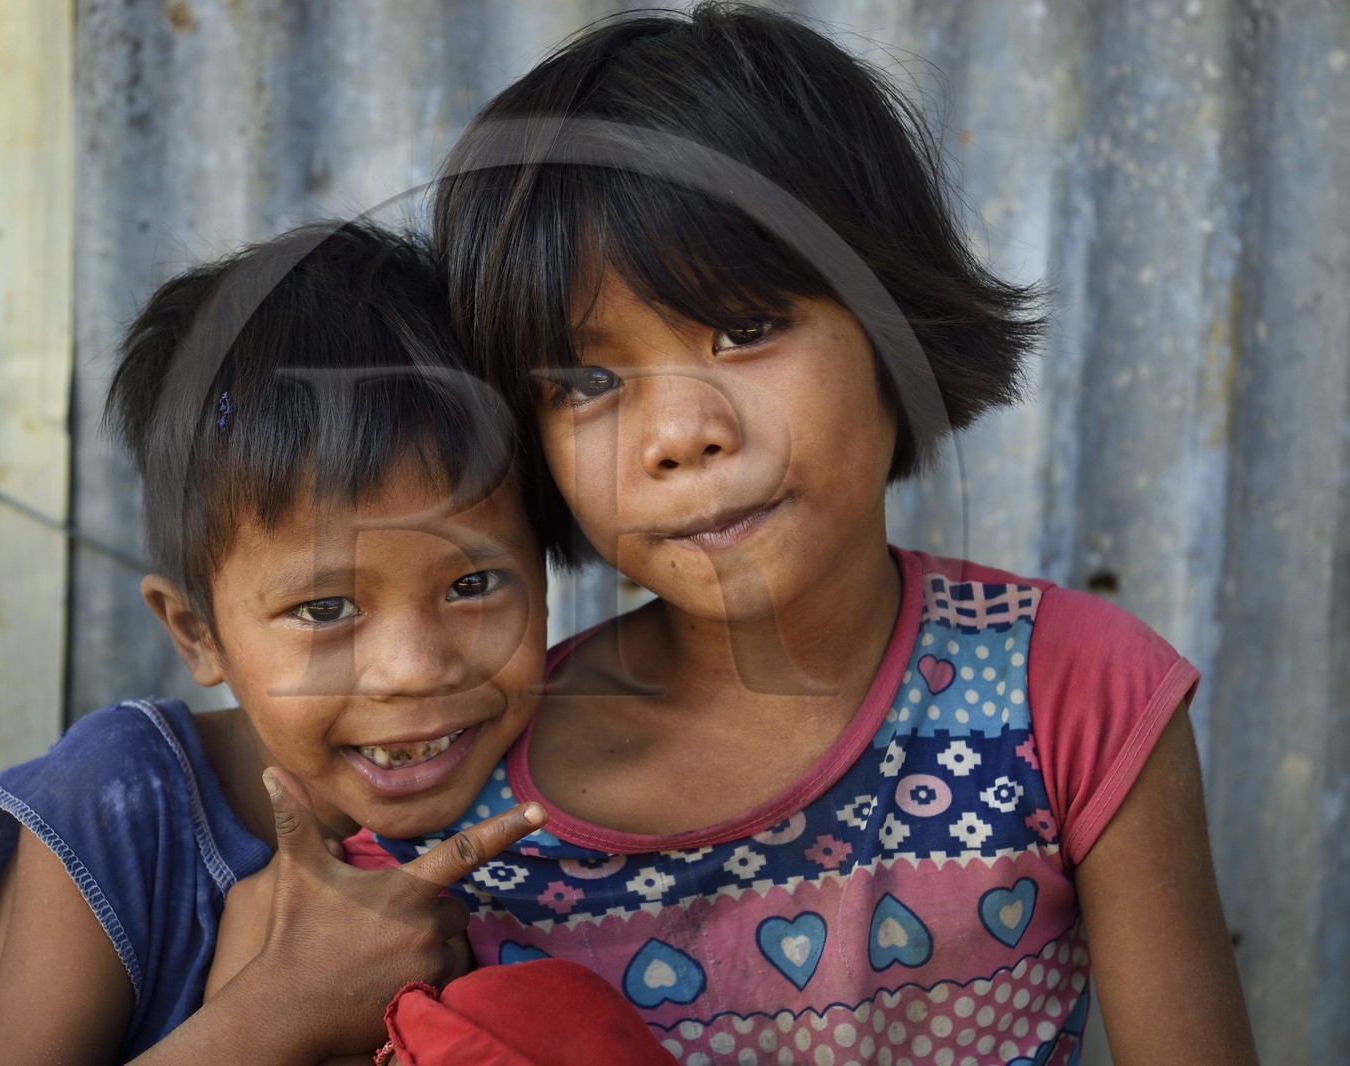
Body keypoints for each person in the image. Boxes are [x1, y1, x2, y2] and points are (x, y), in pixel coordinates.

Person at [376, 5, 1259, 1064]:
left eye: (744, 329)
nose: (682, 435)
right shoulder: (464, 768)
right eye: (587, 382)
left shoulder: (1069, 693)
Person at [0, 222, 554, 1065]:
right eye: (325, 608)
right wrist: (277, 1010)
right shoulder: (122, 795)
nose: (414, 669)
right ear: (198, 635)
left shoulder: (548, 782)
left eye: (472, 585)